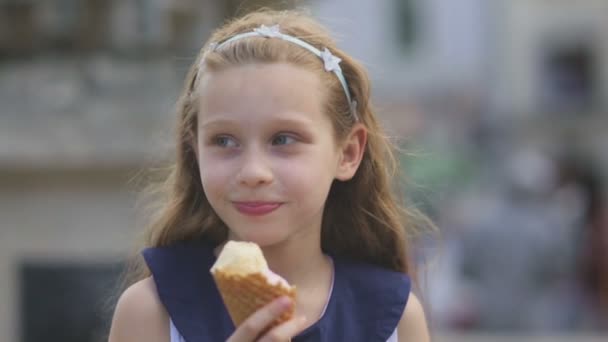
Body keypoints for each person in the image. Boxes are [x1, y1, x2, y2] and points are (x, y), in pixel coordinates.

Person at [108, 9, 430, 342]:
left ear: (347, 153)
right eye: (224, 141)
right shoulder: (151, 312)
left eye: (283, 140)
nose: (252, 173)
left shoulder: (395, 318)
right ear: (195, 149)